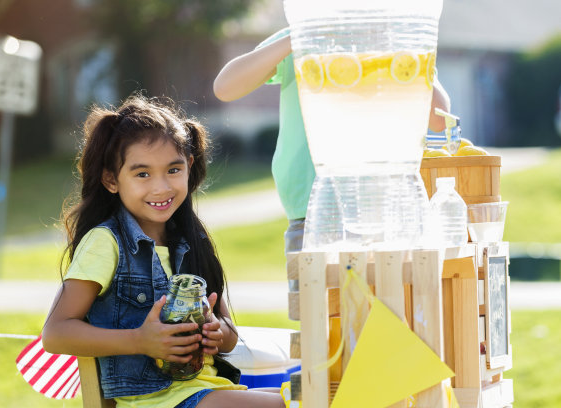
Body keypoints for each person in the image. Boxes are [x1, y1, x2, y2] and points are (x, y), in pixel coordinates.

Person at [42, 94, 284, 408]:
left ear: (189, 167)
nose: (161, 188)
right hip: (156, 400)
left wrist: (216, 333)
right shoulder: (106, 243)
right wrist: (139, 341)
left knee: (323, 393)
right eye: (142, 174)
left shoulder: (193, 241)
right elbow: (56, 333)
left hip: (211, 390)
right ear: (111, 180)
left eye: (173, 170)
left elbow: (229, 335)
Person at [213, 27, 451, 254]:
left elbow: (439, 119)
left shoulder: (397, 40)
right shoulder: (301, 35)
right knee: (315, 295)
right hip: (312, 208)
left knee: (384, 295)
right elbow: (226, 87)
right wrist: (298, 36)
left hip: (382, 208)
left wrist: (405, 51)